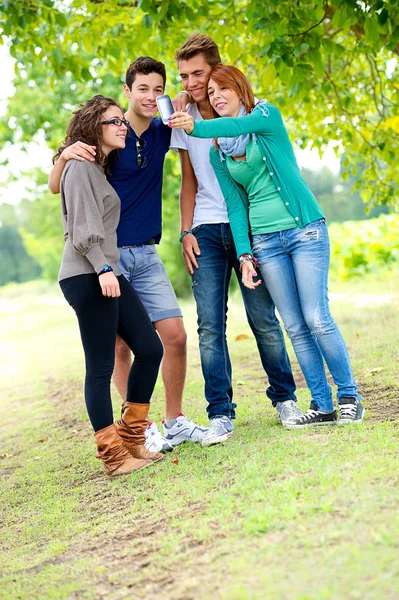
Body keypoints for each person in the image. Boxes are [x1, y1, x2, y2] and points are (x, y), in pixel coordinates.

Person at [169, 63, 366, 427]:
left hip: (304, 231)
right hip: (265, 243)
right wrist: (244, 254)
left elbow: (236, 126)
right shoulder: (219, 151)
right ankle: (322, 405)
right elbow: (235, 205)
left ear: (239, 89)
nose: (215, 96)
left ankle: (349, 395)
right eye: (210, 93)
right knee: (293, 324)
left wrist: (194, 126)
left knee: (316, 318)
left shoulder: (264, 116)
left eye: (221, 88)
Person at [49, 57, 207, 452]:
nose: (151, 97)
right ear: (128, 91)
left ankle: (174, 420)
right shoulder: (104, 140)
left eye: (159, 89)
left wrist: (185, 96)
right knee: (119, 347)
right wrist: (66, 155)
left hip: (147, 252)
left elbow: (193, 113)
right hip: (108, 256)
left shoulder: (160, 133)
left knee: (174, 336)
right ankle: (140, 426)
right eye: (143, 89)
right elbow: (58, 185)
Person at [170, 34, 299, 446]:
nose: (190, 83)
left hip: (251, 227)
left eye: (198, 74)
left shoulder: (242, 110)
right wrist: (186, 230)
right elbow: (188, 180)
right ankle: (220, 414)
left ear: (216, 70)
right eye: (184, 76)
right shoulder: (181, 116)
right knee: (209, 324)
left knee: (263, 318)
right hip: (206, 228)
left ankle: (285, 399)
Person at [57, 95, 165, 477]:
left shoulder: (96, 167)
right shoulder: (82, 168)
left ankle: (133, 436)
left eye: (122, 120)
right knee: (100, 367)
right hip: (89, 274)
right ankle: (114, 456)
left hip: (107, 269)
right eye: (115, 121)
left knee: (150, 348)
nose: (123, 127)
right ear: (93, 128)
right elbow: (83, 229)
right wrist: (103, 269)